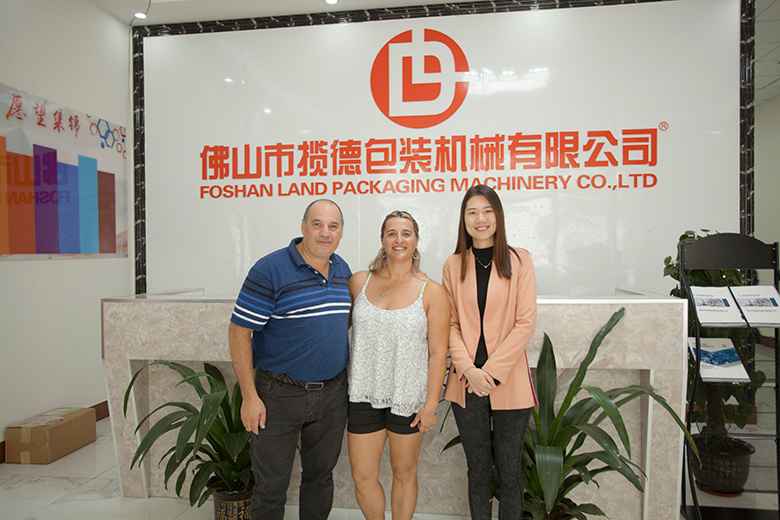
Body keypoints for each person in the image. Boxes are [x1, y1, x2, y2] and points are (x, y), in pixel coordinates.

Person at [228, 199, 351, 520]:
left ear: (341, 232)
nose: (325, 233)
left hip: (332, 395)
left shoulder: (342, 270)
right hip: (278, 395)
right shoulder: (270, 269)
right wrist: (250, 397)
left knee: (320, 479)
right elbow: (239, 333)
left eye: (333, 226)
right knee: (271, 487)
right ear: (303, 227)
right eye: (317, 224)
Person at [441, 185, 537, 520]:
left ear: (498, 215)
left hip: (509, 380)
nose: (480, 219)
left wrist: (491, 373)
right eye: (472, 212)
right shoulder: (453, 264)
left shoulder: (520, 260)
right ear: (463, 219)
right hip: (466, 383)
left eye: (486, 211)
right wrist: (470, 370)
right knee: (478, 469)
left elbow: (525, 323)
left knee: (510, 472)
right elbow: (449, 323)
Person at [347, 210, 449, 520]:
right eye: (391, 233)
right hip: (362, 393)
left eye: (406, 233)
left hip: (408, 397)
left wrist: (430, 404)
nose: (399, 239)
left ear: (416, 240)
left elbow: (438, 353)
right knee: (362, 477)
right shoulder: (358, 282)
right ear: (382, 239)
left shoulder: (432, 292)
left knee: (404, 474)